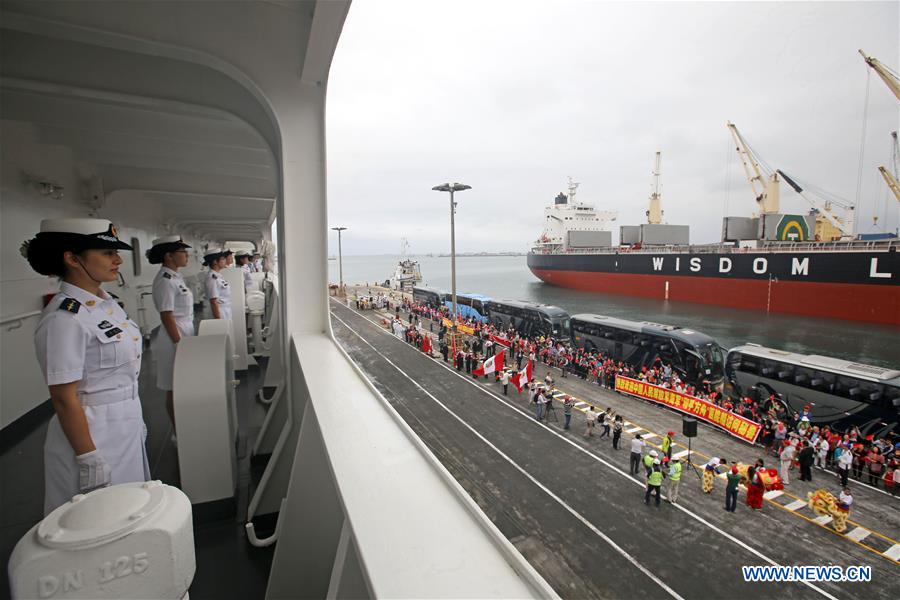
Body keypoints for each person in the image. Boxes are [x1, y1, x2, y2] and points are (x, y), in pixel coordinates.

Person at [23, 218, 150, 514]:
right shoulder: (63, 318)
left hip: (124, 422)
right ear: (72, 258)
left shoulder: (107, 304)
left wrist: (134, 418)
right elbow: (64, 398)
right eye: (107, 253)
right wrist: (88, 456)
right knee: (94, 517)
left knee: (129, 509)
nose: (117, 260)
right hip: (93, 432)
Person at [147, 236, 194, 432]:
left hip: (183, 330)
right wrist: (178, 343)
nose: (186, 255)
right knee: (174, 387)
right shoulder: (165, 281)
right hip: (174, 334)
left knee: (182, 383)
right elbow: (166, 315)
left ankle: (185, 424)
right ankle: (178, 432)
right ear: (169, 255)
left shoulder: (175, 277)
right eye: (182, 252)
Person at [204, 248, 232, 320]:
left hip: (225, 310)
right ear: (215, 262)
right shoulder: (212, 278)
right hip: (220, 312)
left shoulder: (218, 276)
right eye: (222, 259)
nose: (225, 260)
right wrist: (218, 321)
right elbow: (213, 301)